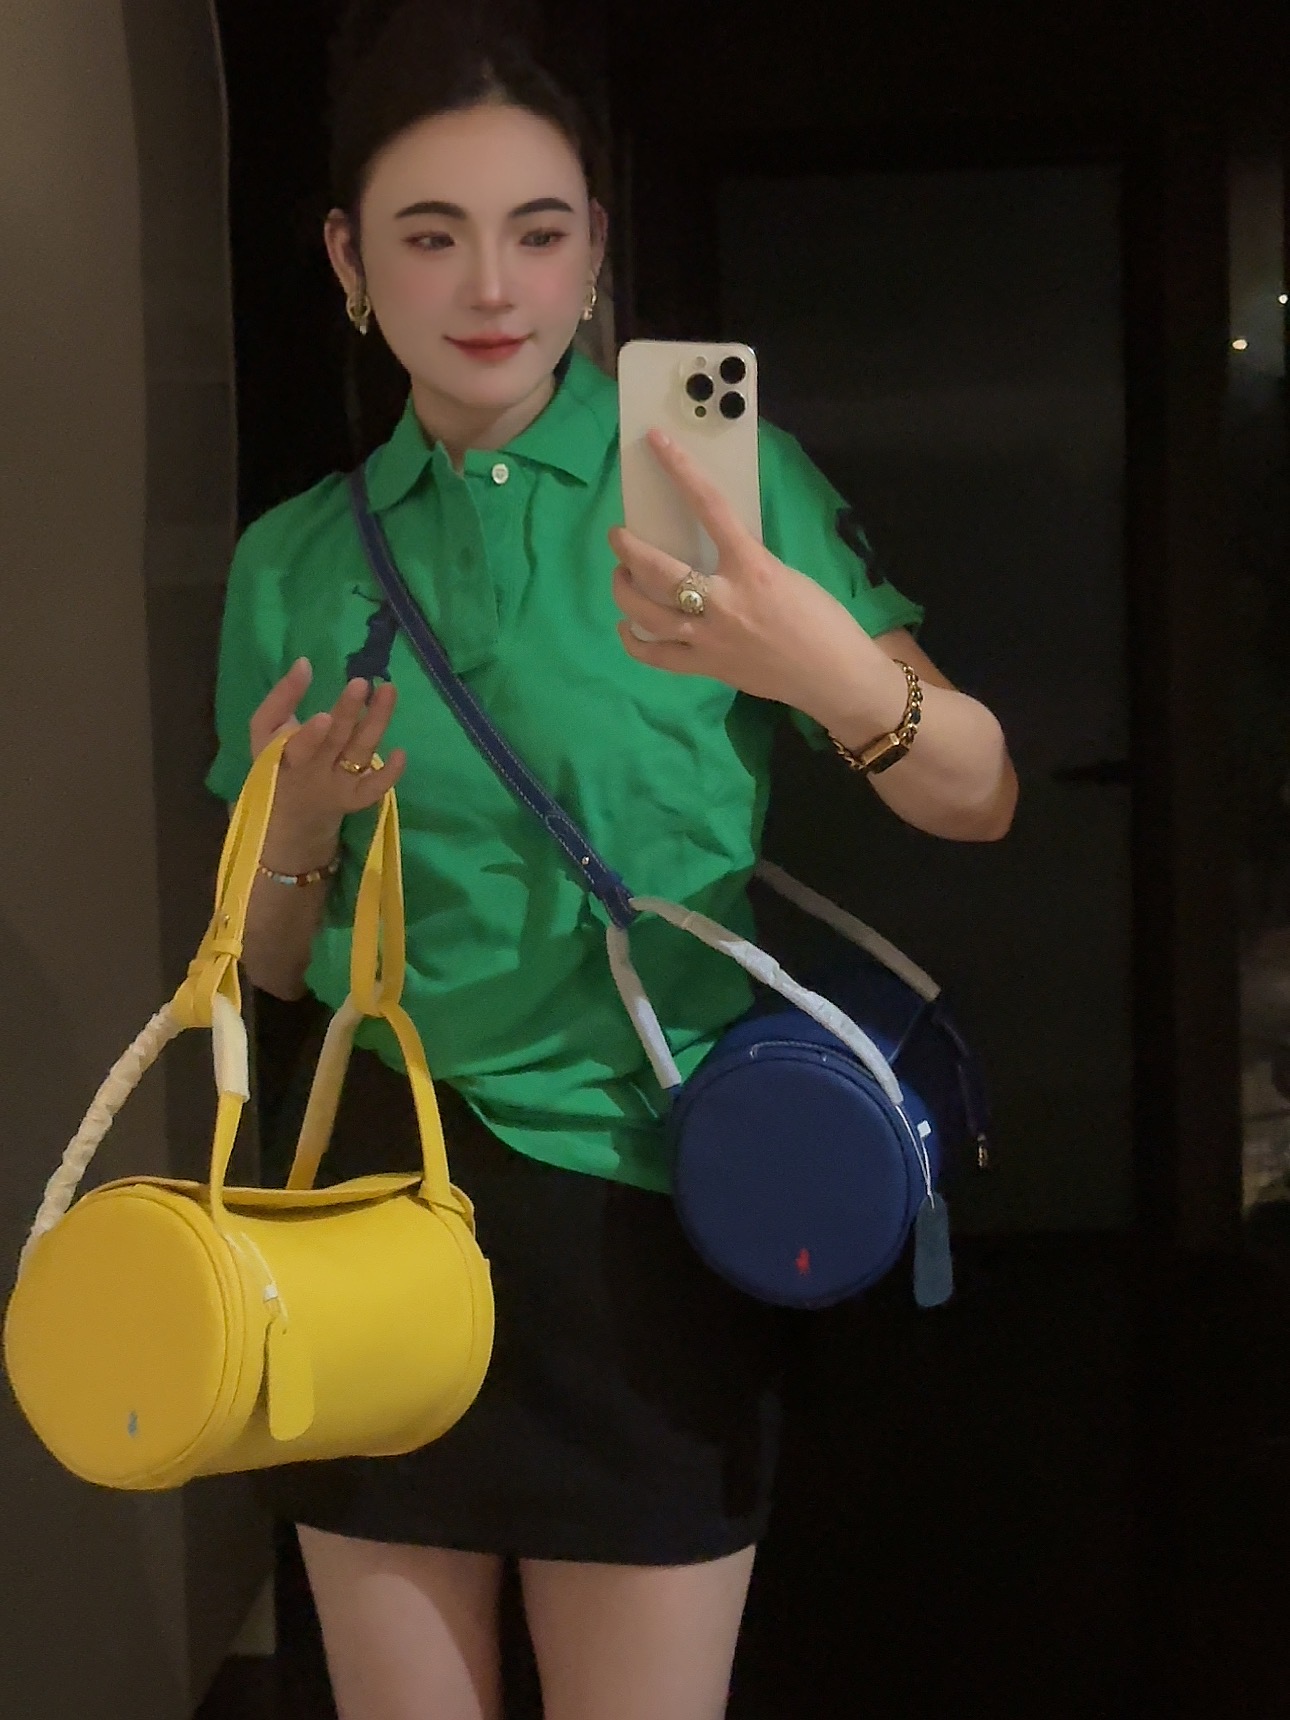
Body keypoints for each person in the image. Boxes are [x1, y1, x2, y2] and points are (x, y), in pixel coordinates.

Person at [207, 5, 1018, 1717]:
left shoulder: (718, 493)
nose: (489, 285)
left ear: (591, 256)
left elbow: (977, 795)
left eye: (537, 231)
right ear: (350, 260)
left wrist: (824, 671)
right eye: (430, 234)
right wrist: (296, 830)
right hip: (364, 1204)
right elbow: (268, 969)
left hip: (644, 1216)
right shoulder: (292, 560)